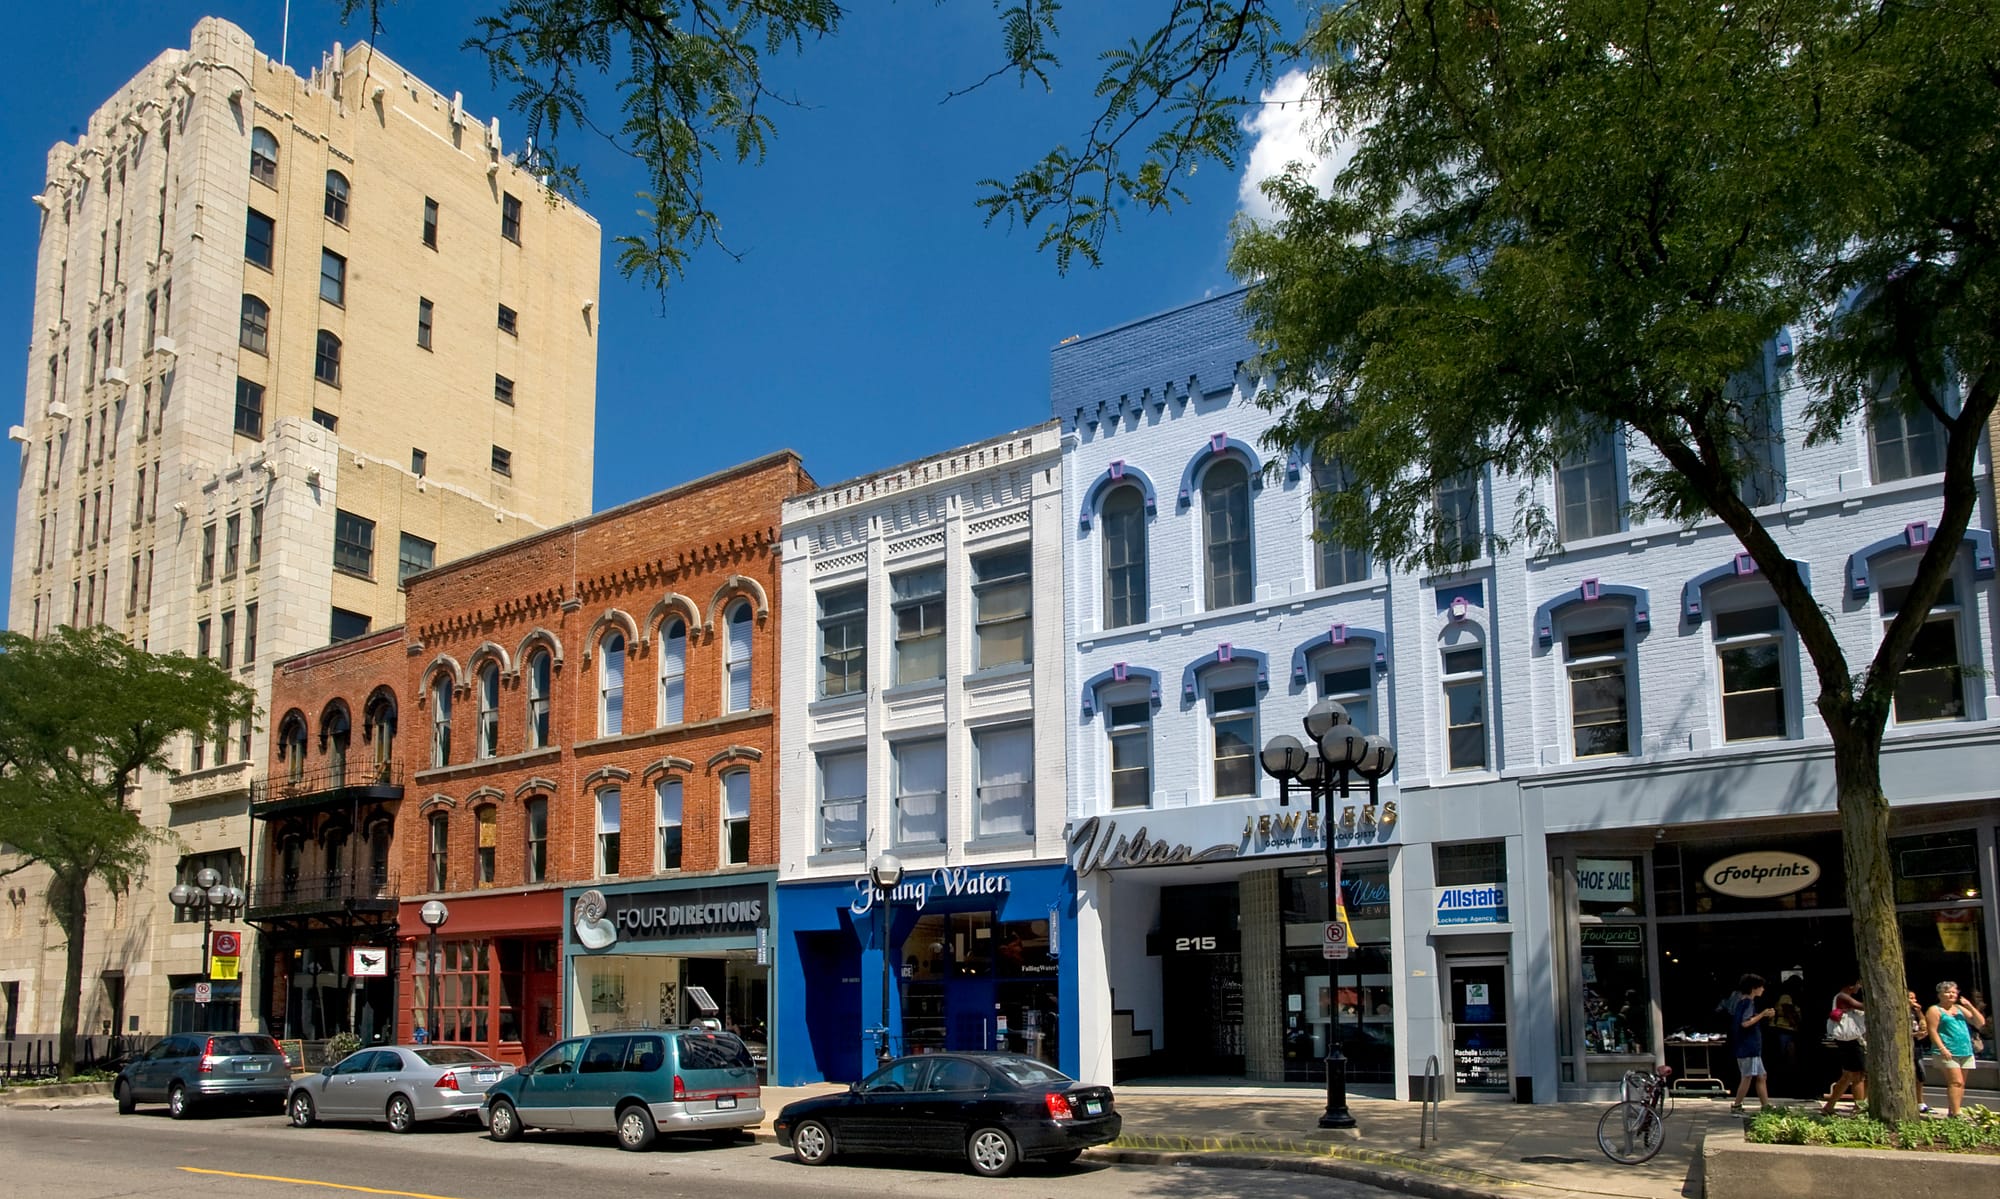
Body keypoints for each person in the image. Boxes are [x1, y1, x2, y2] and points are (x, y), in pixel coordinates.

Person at [1926, 980, 1989, 1118]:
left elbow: (1980, 1023)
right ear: (1940, 994)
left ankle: (1953, 1110)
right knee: (1956, 1082)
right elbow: (1933, 1031)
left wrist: (1970, 1006)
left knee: (1961, 1084)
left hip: (1965, 1051)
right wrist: (1942, 1048)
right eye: (1948, 992)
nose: (1951, 995)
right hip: (1947, 1051)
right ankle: (1956, 1113)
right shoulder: (1935, 1010)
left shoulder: (1959, 1008)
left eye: (1954, 992)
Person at [1821, 976, 1867, 1116]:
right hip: (1850, 1041)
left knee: (1847, 1075)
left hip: (1847, 1041)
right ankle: (1859, 1109)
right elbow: (1864, 1006)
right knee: (1858, 1075)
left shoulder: (1841, 997)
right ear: (1850, 986)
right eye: (1858, 984)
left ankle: (1829, 1106)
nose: (1859, 987)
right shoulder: (1843, 997)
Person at [1730, 974, 1777, 1113]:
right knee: (1747, 1076)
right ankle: (1737, 1105)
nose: (1763, 989)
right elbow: (1745, 1023)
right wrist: (1762, 1015)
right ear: (1753, 988)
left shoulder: (1740, 1001)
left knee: (1761, 1075)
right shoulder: (1748, 1003)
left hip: (1748, 1046)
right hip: (1748, 1046)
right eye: (1760, 987)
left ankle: (1765, 1105)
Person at [1907, 991, 1931, 1113]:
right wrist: (1914, 1035)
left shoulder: (1915, 1012)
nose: (1914, 1000)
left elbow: (1924, 1024)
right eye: (1911, 998)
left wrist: (1919, 1012)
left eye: (1914, 998)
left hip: (1917, 1046)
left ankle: (1920, 1101)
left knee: (1920, 1075)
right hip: (1905, 1046)